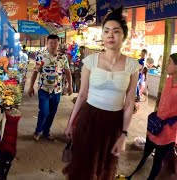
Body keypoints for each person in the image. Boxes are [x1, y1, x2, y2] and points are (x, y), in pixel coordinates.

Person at [63, 6, 139, 179]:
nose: (111, 35)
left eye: (116, 31)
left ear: (123, 36)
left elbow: (129, 103)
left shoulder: (132, 66)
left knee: (105, 166)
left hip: (114, 123)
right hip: (89, 118)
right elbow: (82, 95)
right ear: (102, 35)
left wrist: (124, 135)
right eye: (106, 31)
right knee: (83, 164)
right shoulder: (90, 61)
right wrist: (70, 122)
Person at [117, 53, 177, 180]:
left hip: (167, 132)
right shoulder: (168, 80)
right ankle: (131, 176)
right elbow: (162, 101)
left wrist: (170, 121)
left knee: (158, 161)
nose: (166, 65)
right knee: (145, 155)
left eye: (170, 62)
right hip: (155, 127)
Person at [28, 34, 73, 141]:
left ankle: (46, 132)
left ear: (58, 44)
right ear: (47, 44)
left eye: (55, 43)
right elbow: (35, 72)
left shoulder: (63, 58)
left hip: (57, 91)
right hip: (43, 89)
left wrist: (70, 86)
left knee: (52, 113)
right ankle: (38, 131)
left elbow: (67, 72)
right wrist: (31, 87)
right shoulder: (41, 56)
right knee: (44, 111)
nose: (53, 45)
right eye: (51, 43)